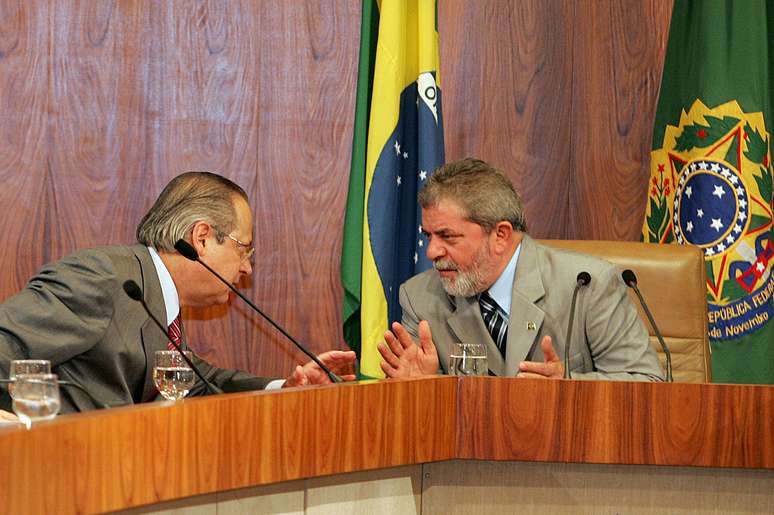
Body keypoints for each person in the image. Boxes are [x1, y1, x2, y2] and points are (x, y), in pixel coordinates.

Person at [0, 172, 355, 415]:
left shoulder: (152, 292)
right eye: (244, 249)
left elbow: (194, 381)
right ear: (201, 238)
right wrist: (43, 421)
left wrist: (284, 387)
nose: (247, 268)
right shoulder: (103, 277)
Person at [378, 158, 663, 381]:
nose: (431, 252)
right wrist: (424, 387)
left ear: (500, 235)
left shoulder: (588, 286)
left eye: (447, 236)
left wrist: (570, 384)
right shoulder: (420, 297)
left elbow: (646, 381)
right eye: (429, 236)